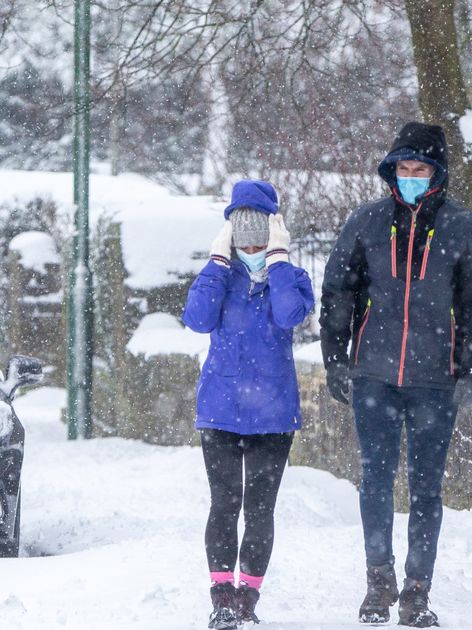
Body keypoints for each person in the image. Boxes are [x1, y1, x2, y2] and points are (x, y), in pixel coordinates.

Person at [320, 122, 472, 627]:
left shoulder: (464, 228)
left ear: (437, 173)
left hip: (434, 380)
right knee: (374, 481)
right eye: (403, 168)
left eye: (420, 169)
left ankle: (417, 592)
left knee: (426, 489)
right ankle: (379, 582)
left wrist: (471, 369)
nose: (410, 177)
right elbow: (339, 294)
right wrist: (336, 357)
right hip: (373, 375)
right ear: (391, 171)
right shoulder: (368, 223)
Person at [182, 179, 315, 629]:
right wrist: (218, 261)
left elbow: (290, 315)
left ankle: (247, 600)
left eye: (262, 232)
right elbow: (197, 319)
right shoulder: (219, 276)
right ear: (231, 234)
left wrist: (277, 260)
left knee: (260, 508)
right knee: (224, 503)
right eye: (244, 233)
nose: (252, 242)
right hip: (220, 410)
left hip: (273, 415)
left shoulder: (292, 278)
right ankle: (221, 598)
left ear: (275, 231)